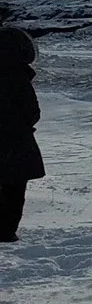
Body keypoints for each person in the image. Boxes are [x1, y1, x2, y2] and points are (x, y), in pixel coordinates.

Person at [0, 26, 41, 242]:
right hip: (15, 144)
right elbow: (32, 112)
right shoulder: (18, 76)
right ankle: (5, 234)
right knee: (14, 190)